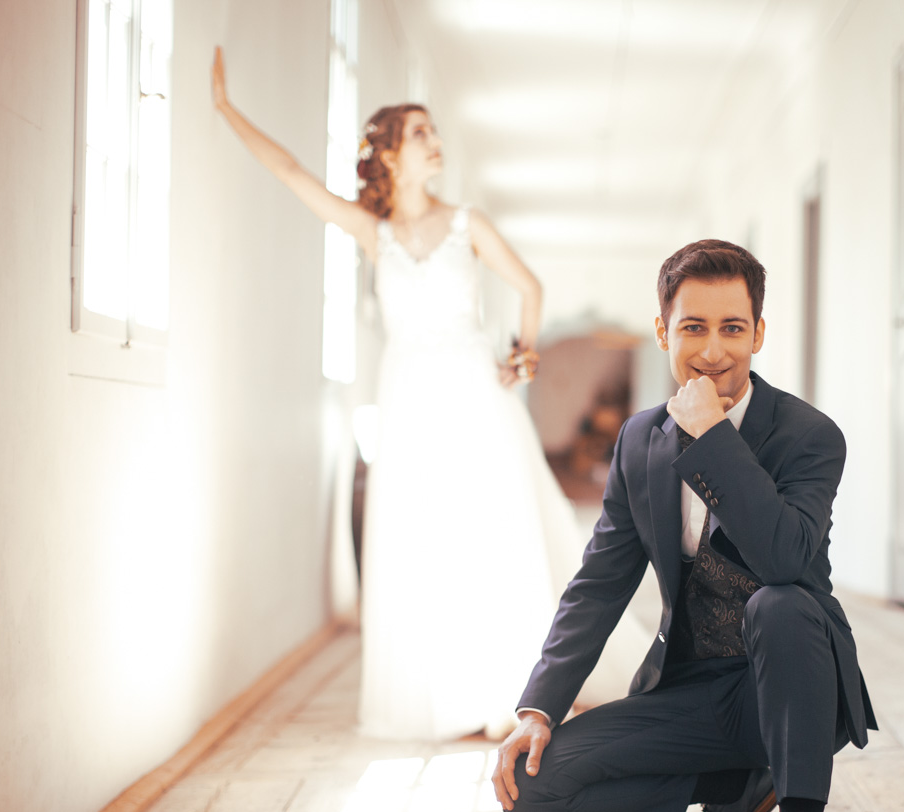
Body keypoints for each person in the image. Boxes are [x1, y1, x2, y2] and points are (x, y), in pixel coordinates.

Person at [210, 49, 648, 741]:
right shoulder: (372, 232)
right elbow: (293, 174)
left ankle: (516, 688)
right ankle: (440, 692)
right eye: (420, 134)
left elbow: (529, 286)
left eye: (435, 131)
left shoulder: (467, 223)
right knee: (422, 536)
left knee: (489, 530)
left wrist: (523, 355)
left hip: (474, 391)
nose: (434, 142)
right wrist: (228, 110)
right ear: (387, 152)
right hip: (409, 396)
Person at [490, 239, 877, 812]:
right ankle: (733, 788)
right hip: (696, 689)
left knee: (780, 603)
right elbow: (600, 582)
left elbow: (787, 559)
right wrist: (538, 708)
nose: (713, 351)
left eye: (733, 328)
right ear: (663, 330)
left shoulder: (809, 437)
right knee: (534, 791)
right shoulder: (639, 441)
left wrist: (710, 438)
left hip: (791, 687)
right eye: (693, 327)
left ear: (759, 333)